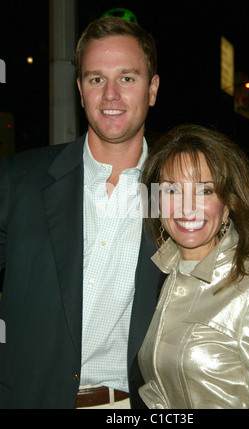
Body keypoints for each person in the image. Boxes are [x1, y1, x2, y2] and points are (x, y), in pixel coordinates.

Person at [0, 17, 162, 409]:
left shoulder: (177, 193)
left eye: (127, 78)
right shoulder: (18, 180)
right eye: (95, 79)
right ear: (80, 90)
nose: (110, 94)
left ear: (152, 89)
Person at [138, 124, 249, 409]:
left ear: (227, 205)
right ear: (156, 203)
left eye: (204, 191)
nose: (187, 207)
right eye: (172, 190)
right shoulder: (163, 277)